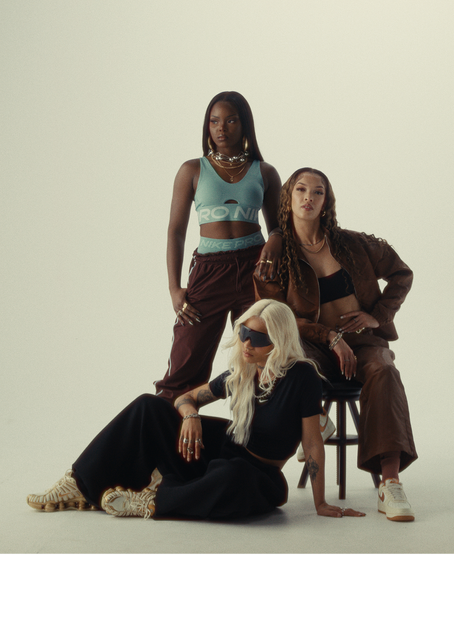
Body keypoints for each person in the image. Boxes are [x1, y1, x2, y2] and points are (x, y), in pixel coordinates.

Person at [26, 300, 364, 520]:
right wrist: (190, 416)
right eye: (244, 333)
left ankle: (148, 501)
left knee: (235, 477)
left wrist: (320, 504)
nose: (246, 344)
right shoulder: (242, 373)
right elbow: (184, 398)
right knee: (149, 405)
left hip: (256, 473)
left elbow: (313, 442)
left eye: (258, 339)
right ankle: (81, 484)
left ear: (278, 342)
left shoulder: (301, 376)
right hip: (217, 451)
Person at [256, 167, 420, 522]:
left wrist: (377, 316)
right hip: (315, 347)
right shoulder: (276, 255)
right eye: (301, 190)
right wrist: (329, 336)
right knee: (289, 356)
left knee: (384, 370)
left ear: (326, 201)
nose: (308, 198)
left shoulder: (353, 243)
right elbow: (274, 315)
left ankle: (390, 484)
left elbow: (401, 274)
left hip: (363, 342)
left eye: (318, 192)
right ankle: (317, 419)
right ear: (288, 197)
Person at [155, 92, 285, 401]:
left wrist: (277, 237)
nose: (221, 128)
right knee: (186, 361)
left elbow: (280, 227)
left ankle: (254, 441)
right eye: (214, 121)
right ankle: (169, 432)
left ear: (244, 125)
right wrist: (175, 288)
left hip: (256, 268)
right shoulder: (192, 170)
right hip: (210, 270)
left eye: (230, 120)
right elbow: (175, 232)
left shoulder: (264, 172)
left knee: (261, 359)